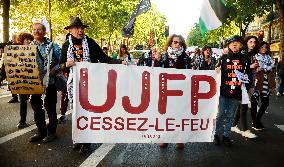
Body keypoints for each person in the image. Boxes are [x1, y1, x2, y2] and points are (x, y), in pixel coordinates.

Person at [60, 17, 121, 155]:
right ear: (70, 30)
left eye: (82, 28)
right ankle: (79, 139)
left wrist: (119, 62)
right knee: (76, 113)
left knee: (87, 113)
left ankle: (87, 142)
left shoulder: (91, 43)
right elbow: (60, 66)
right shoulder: (66, 46)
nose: (80, 30)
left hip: (90, 84)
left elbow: (105, 59)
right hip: (74, 84)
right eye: (77, 28)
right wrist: (66, 65)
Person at [154, 34, 191, 149]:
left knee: (180, 115)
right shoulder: (164, 56)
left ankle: (179, 139)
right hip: (167, 91)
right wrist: (157, 60)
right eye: (175, 42)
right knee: (166, 115)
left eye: (179, 43)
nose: (177, 44)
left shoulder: (185, 57)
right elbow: (156, 71)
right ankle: (165, 138)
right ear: (170, 43)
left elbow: (190, 71)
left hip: (181, 91)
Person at [213, 35, 252, 147]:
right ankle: (216, 134)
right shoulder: (223, 58)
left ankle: (226, 136)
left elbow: (248, 74)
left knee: (230, 115)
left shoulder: (245, 59)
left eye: (237, 42)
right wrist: (216, 70)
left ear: (241, 45)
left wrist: (249, 87)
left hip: (237, 92)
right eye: (232, 42)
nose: (235, 44)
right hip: (223, 92)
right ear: (229, 45)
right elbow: (215, 72)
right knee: (220, 115)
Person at [28, 23, 61, 143]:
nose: (37, 32)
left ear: (44, 32)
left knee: (50, 107)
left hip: (49, 82)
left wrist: (55, 69)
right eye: (34, 30)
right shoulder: (28, 47)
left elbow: (61, 60)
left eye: (39, 30)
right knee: (36, 107)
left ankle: (52, 132)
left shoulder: (53, 46)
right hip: (35, 84)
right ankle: (41, 132)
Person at [231, 36, 259, 139]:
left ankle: (233, 125)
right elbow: (236, 67)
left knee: (241, 107)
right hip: (240, 83)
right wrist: (249, 67)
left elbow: (252, 73)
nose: (253, 44)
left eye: (254, 42)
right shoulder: (241, 54)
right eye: (250, 42)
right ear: (246, 43)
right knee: (244, 106)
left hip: (247, 83)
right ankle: (245, 130)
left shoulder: (253, 55)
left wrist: (252, 85)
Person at [251, 41, 276, 131]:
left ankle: (257, 119)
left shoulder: (269, 57)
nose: (264, 49)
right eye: (262, 47)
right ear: (258, 47)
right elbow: (256, 67)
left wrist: (265, 67)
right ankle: (255, 122)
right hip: (257, 80)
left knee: (265, 103)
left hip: (267, 81)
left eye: (265, 47)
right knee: (254, 102)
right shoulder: (255, 56)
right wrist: (264, 67)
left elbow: (271, 67)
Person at [16, 32, 34, 129]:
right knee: (23, 101)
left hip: (33, 79)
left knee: (35, 101)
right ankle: (22, 121)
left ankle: (40, 122)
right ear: (21, 41)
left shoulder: (34, 50)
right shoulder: (15, 51)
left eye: (30, 39)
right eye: (27, 39)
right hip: (21, 80)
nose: (29, 41)